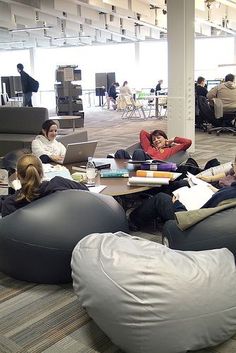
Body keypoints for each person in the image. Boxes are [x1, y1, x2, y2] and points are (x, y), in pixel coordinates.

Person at [0, 154, 88, 217]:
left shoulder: (10, 204)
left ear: (18, 176)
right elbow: (86, 192)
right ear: (42, 173)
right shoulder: (59, 184)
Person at [128, 180, 236, 230]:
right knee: (183, 185)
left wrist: (177, 204)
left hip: (192, 221)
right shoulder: (231, 191)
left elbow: (192, 216)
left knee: (160, 198)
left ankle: (132, 221)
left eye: (233, 164)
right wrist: (216, 191)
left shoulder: (230, 193)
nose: (231, 166)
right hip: (202, 213)